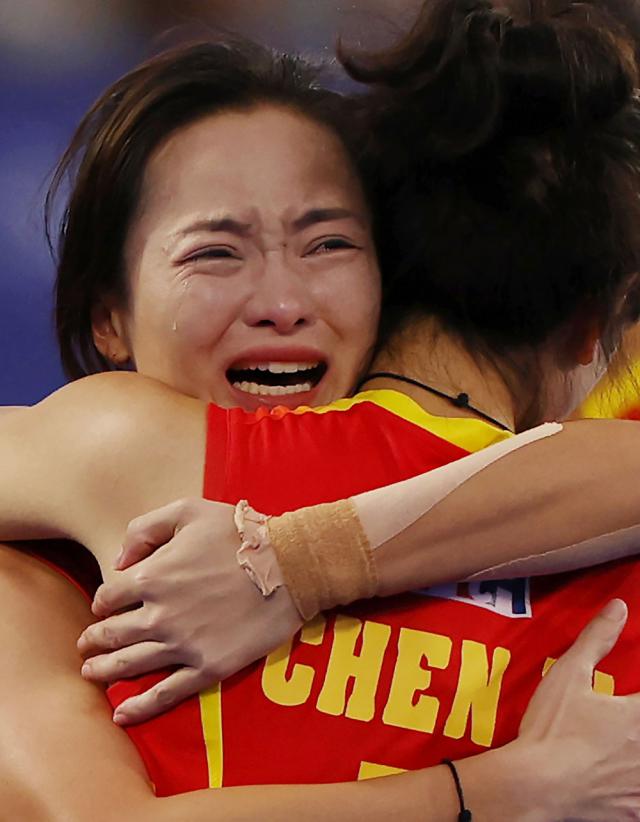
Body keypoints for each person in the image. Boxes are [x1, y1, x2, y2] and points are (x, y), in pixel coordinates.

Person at [3, 7, 640, 820]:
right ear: (108, 315)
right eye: (215, 252)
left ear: (391, 268)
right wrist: (507, 788)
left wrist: (301, 563)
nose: (283, 301)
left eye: (328, 244)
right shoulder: (68, 522)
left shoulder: (127, 457)